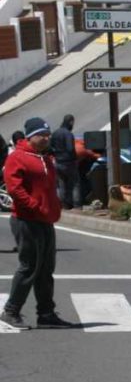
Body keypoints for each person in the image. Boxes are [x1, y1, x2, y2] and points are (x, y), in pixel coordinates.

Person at [0, 118, 73, 330]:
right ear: (31, 136)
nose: (46, 138)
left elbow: (49, 190)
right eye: (42, 135)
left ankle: (46, 314)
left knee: (46, 269)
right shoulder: (17, 157)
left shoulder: (46, 159)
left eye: (48, 135)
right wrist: (34, 206)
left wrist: (54, 208)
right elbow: (15, 188)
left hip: (45, 220)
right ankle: (10, 311)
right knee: (29, 266)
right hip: (26, 219)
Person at [50, 114, 79, 209]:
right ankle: (76, 204)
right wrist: (75, 158)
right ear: (70, 122)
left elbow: (49, 148)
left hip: (58, 162)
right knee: (74, 184)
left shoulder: (55, 133)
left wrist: (56, 154)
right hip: (69, 162)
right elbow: (70, 149)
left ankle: (62, 205)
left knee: (60, 184)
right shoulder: (68, 134)